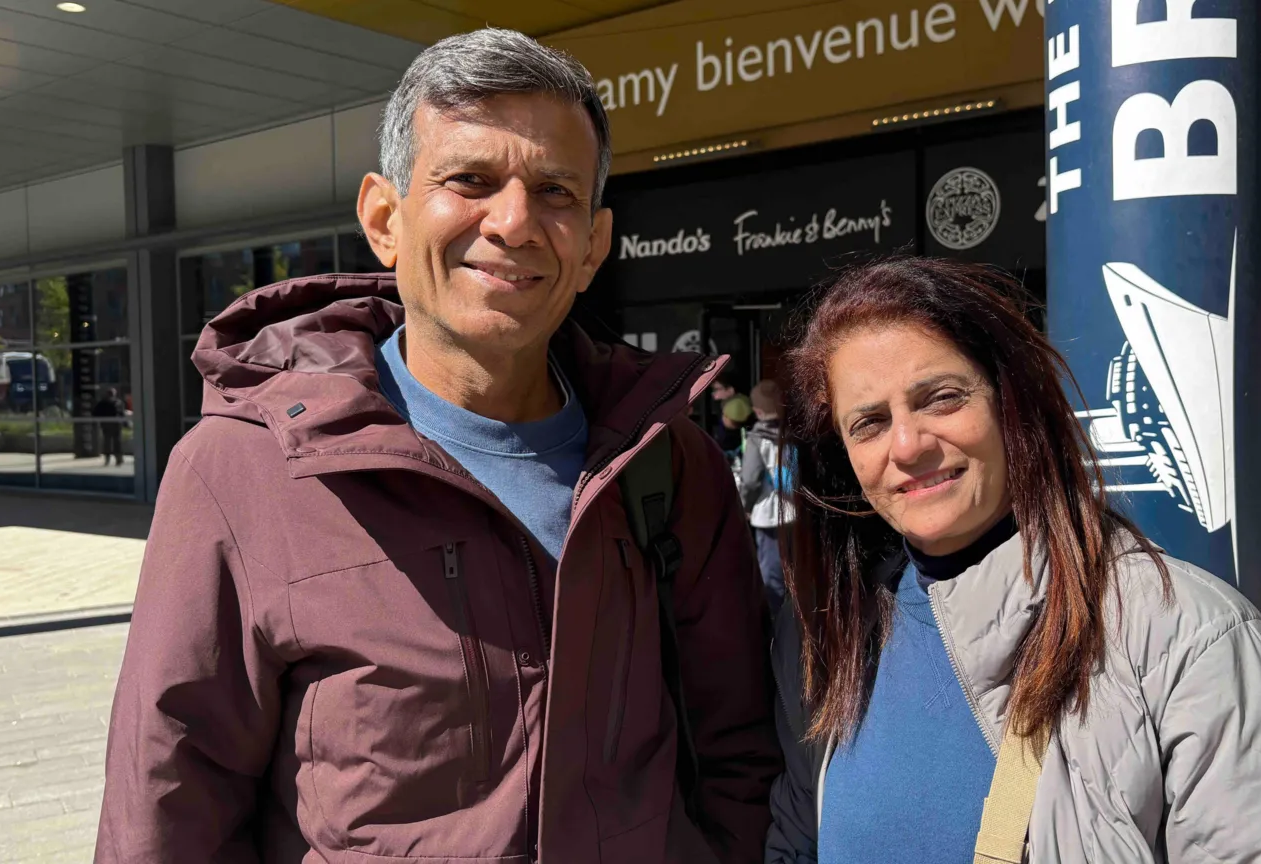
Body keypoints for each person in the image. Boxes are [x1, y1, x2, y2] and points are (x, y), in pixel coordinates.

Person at [98, 29, 779, 864]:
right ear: (384, 219)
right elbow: (168, 801)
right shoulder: (240, 470)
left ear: (595, 244)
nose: (517, 221)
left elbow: (736, 746)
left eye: (556, 191)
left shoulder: (668, 464)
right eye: (471, 180)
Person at [765, 258, 1261, 863]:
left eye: (941, 398)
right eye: (869, 422)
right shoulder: (821, 633)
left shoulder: (1185, 637)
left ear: (1010, 404)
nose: (909, 444)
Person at [738, 380, 793, 616]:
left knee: (771, 574)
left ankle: (777, 625)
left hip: (769, 515)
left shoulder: (756, 438)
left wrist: (745, 506)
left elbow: (750, 480)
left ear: (758, 410)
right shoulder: (795, 433)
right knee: (795, 567)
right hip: (797, 510)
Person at [710, 372, 751, 455]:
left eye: (717, 389)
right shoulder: (724, 404)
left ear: (730, 390)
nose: (713, 393)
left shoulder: (737, 405)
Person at [91, 387, 125, 467]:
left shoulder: (118, 402)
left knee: (117, 442)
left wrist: (123, 421)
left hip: (116, 425)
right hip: (107, 425)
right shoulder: (103, 403)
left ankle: (118, 459)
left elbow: (121, 413)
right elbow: (96, 413)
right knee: (108, 442)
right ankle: (108, 458)